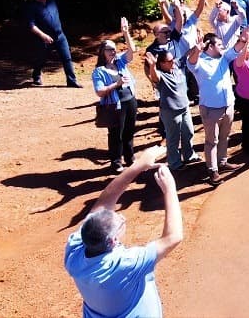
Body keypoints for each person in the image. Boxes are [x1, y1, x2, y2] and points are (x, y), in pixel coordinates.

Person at [64, 145, 182, 318]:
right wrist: (170, 189)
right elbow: (173, 237)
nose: (122, 218)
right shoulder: (125, 264)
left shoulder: (75, 253)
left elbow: (105, 200)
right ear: (113, 241)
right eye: (119, 222)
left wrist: (139, 165)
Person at [187, 30, 249, 185]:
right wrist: (197, 49)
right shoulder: (200, 61)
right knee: (211, 141)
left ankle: (222, 162)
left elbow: (235, 49)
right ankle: (212, 170)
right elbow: (191, 62)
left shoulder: (224, 57)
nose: (222, 46)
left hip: (228, 105)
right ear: (210, 46)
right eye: (219, 44)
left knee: (224, 136)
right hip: (211, 109)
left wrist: (243, 39)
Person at [92, 18, 138, 173]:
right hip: (114, 105)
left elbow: (132, 51)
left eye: (114, 49)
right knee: (116, 133)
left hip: (129, 100)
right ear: (102, 53)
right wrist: (116, 85)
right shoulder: (99, 71)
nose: (113, 51)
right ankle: (116, 162)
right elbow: (99, 91)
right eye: (110, 49)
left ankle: (130, 157)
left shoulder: (120, 62)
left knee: (129, 131)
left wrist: (125, 32)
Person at [144, 50, 197, 171]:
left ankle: (189, 155)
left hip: (184, 108)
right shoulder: (161, 75)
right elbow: (155, 77)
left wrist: (197, 47)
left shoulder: (176, 65)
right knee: (173, 138)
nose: (173, 62)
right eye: (169, 61)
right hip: (170, 111)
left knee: (188, 132)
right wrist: (152, 66)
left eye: (173, 59)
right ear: (162, 64)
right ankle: (174, 163)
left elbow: (186, 55)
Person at [27, 0, 81, 87]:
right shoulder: (32, 7)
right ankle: (36, 76)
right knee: (40, 59)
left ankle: (71, 81)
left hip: (59, 36)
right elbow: (31, 25)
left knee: (67, 58)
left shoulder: (53, 0)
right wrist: (43, 36)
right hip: (43, 38)